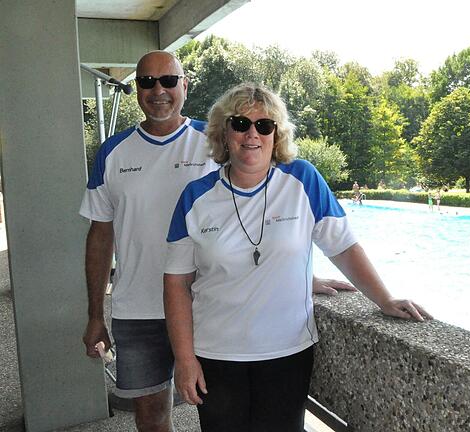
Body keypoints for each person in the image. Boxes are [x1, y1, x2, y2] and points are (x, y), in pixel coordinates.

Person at [79, 51, 352, 432]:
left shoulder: (219, 140)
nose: (159, 90)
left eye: (169, 81)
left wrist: (298, 276)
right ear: (136, 90)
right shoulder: (112, 152)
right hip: (137, 306)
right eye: (147, 82)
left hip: (208, 309)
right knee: (151, 416)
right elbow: (100, 234)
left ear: (185, 86)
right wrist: (94, 314)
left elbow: (262, 208)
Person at [163, 83, 432, 431]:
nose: (252, 135)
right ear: (223, 133)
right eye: (240, 123)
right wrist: (184, 360)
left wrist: (384, 298)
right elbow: (175, 283)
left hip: (287, 352)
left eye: (264, 125)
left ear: (277, 134)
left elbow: (343, 247)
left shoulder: (303, 179)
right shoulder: (195, 197)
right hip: (216, 354)